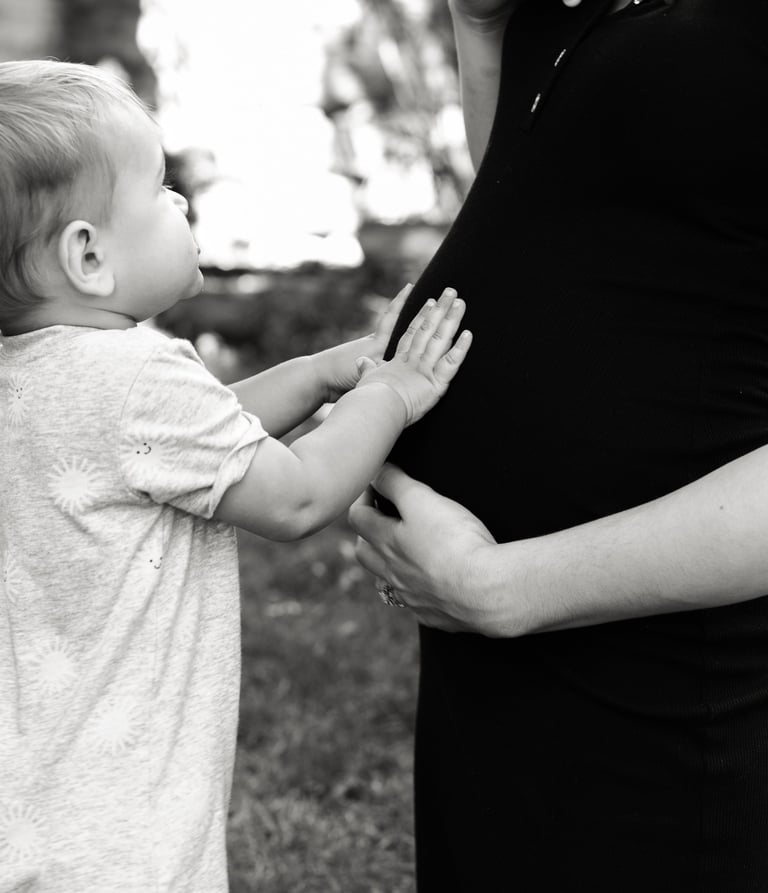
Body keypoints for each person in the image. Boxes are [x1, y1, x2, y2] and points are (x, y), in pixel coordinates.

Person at [0, 60, 472, 892]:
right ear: (88, 255)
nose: (181, 203)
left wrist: (326, 372)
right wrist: (393, 394)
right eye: (159, 188)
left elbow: (197, 437)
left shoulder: (43, 377)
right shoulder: (139, 378)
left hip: (39, 807)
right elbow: (295, 494)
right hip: (123, 835)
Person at [348, 0, 768, 890]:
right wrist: (482, 27)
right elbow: (560, 184)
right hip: (489, 660)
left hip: (669, 687)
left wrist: (504, 586)